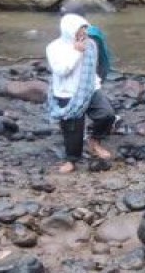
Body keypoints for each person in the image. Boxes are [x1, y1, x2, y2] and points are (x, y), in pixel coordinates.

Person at [47, 13, 117, 174]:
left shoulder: (90, 44)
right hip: (67, 92)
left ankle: (94, 140)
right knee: (72, 129)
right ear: (69, 31)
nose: (83, 33)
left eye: (85, 29)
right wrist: (76, 52)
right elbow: (61, 70)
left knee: (107, 114)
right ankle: (72, 159)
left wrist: (96, 83)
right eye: (80, 30)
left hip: (89, 89)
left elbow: (93, 67)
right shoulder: (54, 47)